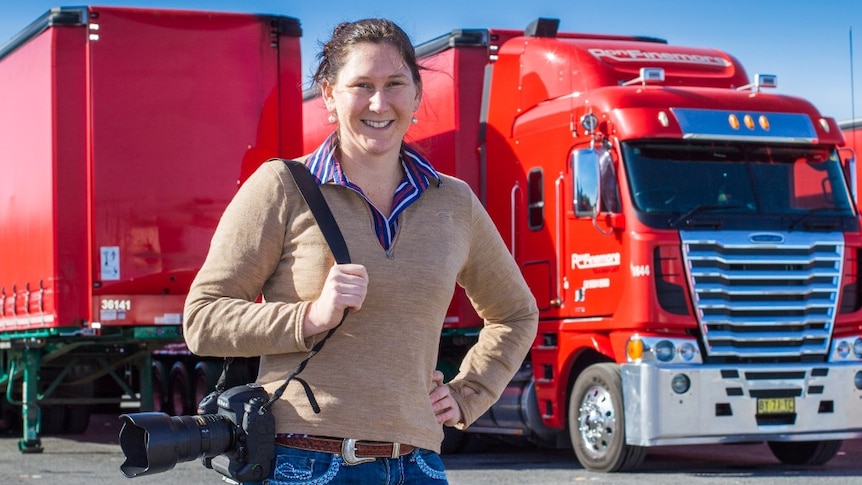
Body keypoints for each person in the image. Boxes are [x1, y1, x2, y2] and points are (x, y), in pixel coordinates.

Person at [183, 18, 538, 484]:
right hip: (306, 462)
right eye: (361, 86)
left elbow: (515, 313)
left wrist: (469, 393)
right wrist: (309, 318)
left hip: (419, 464)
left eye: (394, 84)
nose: (379, 102)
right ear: (329, 95)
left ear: (415, 94)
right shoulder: (282, 188)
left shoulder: (454, 203)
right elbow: (202, 320)